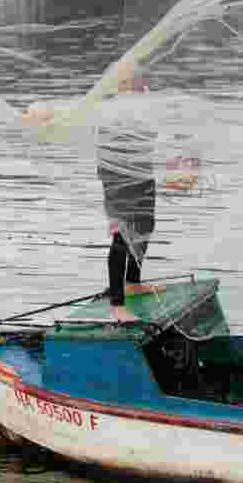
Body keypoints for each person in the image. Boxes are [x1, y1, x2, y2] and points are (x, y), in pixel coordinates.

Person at [98, 62, 157, 322]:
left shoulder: (144, 102)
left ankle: (133, 282)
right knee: (122, 235)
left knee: (144, 226)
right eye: (132, 78)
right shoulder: (109, 106)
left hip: (142, 171)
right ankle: (117, 303)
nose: (140, 80)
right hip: (117, 176)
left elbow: (152, 134)